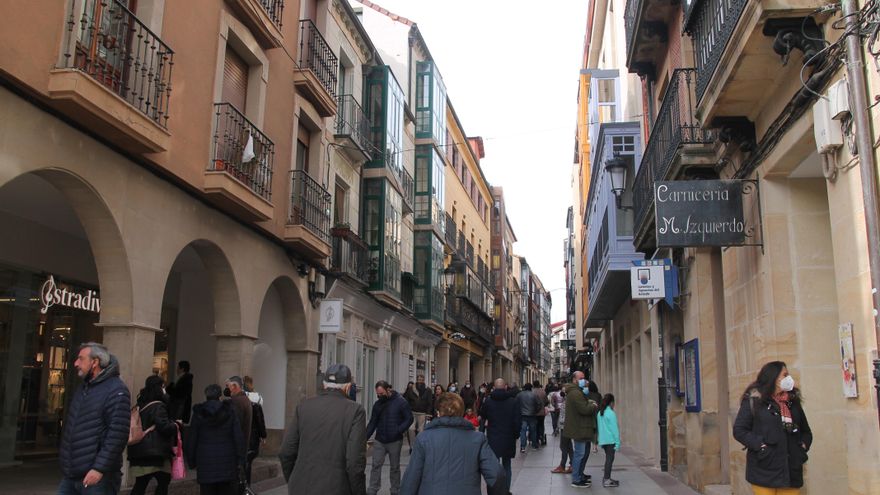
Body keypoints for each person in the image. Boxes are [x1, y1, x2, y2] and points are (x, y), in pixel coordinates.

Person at [279, 364, 367, 495]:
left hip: (301, 486)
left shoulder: (304, 407)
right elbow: (354, 462)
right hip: (336, 487)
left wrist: (293, 480)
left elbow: (286, 452)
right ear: (348, 387)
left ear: (325, 385)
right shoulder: (355, 411)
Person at [58, 343, 130, 495]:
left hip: (98, 477)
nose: (76, 363)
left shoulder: (116, 390)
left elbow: (117, 435)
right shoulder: (84, 387)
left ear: (95, 362)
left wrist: (99, 468)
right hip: (72, 474)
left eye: (81, 359)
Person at [733, 361, 812, 494]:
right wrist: (760, 445)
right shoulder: (754, 400)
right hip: (764, 468)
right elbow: (740, 430)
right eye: (785, 374)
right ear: (773, 377)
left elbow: (806, 431)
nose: (788, 378)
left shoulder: (792, 401)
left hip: (791, 470)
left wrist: (802, 447)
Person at [400, 393, 503, 495]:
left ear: (438, 413)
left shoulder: (423, 438)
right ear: (462, 412)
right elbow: (496, 473)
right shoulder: (478, 439)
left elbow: (411, 478)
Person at [186, 384, 245, 495]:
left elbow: (191, 439)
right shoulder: (230, 412)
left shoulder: (198, 414)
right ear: (220, 396)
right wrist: (240, 459)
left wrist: (192, 461)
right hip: (227, 464)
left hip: (205, 464)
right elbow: (238, 437)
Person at [128, 375, 178, 495]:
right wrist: (176, 425)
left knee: (140, 483)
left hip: (139, 450)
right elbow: (164, 427)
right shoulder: (158, 406)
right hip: (155, 452)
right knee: (163, 481)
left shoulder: (140, 404)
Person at [366, 381, 413, 495]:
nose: (379, 396)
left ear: (388, 390)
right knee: (376, 465)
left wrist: (399, 430)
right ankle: (372, 489)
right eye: (377, 394)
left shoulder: (401, 402)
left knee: (394, 467)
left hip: (395, 440)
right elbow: (372, 422)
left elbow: (409, 418)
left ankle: (395, 490)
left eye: (381, 393)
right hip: (379, 440)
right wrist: (364, 438)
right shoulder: (377, 405)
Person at [479, 378, 520, 494]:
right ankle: (506, 490)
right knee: (507, 465)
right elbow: (517, 421)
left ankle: (494, 491)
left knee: (493, 467)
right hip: (508, 437)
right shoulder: (513, 401)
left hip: (493, 437)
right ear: (505, 387)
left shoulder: (488, 401)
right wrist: (516, 435)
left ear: (494, 388)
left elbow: (483, 415)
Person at [564, 371, 599, 488]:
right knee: (579, 454)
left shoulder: (577, 392)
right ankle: (576, 479)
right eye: (581, 378)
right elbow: (583, 409)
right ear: (575, 380)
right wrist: (593, 405)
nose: (584, 380)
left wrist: (588, 402)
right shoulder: (575, 393)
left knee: (581, 453)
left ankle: (579, 475)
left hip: (581, 427)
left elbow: (582, 404)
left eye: (584, 378)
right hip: (579, 428)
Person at [243, 376, 267, 486]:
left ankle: (242, 485)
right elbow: (260, 420)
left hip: (243, 433)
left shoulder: (241, 397)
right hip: (253, 435)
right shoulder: (258, 397)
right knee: (248, 461)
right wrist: (263, 436)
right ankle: (246, 485)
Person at [225, 376, 253, 457]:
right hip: (241, 446)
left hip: (235, 448)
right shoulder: (244, 399)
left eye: (228, 386)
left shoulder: (237, 402)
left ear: (234, 386)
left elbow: (235, 426)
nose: (226, 389)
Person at [597, 394, 620, 488]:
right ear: (611, 403)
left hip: (604, 440)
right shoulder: (611, 413)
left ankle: (607, 478)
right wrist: (617, 442)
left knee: (608, 459)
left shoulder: (600, 413)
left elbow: (600, 428)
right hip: (611, 440)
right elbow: (615, 429)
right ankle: (607, 479)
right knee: (609, 460)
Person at [551, 388, 573, 474]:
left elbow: (566, 415)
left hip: (565, 427)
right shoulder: (566, 400)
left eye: (564, 390)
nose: (562, 392)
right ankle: (572, 465)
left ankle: (562, 466)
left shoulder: (568, 401)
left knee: (563, 446)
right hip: (565, 426)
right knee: (569, 446)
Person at [516, 383, 542, 452]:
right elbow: (539, 404)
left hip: (522, 416)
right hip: (532, 415)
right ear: (531, 388)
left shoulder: (519, 395)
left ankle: (523, 447)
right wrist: (536, 411)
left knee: (523, 431)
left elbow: (516, 404)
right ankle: (534, 445)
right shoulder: (534, 395)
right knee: (533, 431)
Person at [533, 380, 549, 446]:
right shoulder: (543, 391)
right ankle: (542, 438)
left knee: (535, 426)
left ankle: (536, 440)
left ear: (533, 385)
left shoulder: (532, 392)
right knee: (541, 425)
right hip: (542, 412)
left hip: (534, 413)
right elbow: (547, 402)